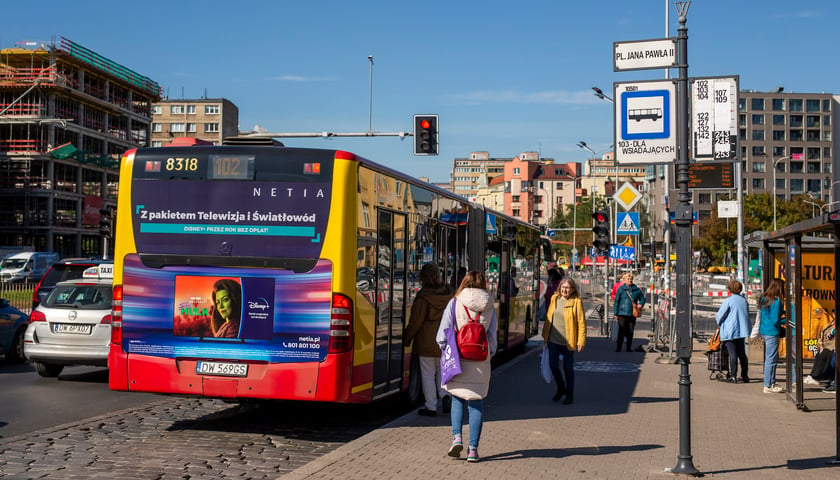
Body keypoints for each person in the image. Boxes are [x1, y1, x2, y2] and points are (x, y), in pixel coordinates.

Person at [436, 271, 497, 463]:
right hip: (480, 360)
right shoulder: (489, 306)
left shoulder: (455, 302)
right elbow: (493, 338)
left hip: (458, 357)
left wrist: (446, 351)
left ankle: (456, 439)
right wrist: (489, 354)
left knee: (456, 398)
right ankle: (473, 450)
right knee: (476, 402)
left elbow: (442, 334)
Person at [404, 264, 454, 417]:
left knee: (427, 374)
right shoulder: (449, 294)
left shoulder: (423, 297)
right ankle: (445, 396)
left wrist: (407, 338)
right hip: (445, 340)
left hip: (426, 342)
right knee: (442, 371)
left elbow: (416, 321)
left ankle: (431, 406)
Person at [542, 277, 587, 404]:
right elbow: (549, 317)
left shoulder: (576, 302)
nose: (565, 290)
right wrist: (545, 335)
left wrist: (581, 341)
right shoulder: (554, 298)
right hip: (553, 340)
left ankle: (569, 394)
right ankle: (561, 388)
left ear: (573, 289)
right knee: (553, 366)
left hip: (569, 341)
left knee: (568, 368)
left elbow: (581, 322)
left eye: (567, 288)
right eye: (563, 287)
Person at [716, 280, 751, 383]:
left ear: (730, 289)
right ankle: (745, 375)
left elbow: (720, 316)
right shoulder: (744, 301)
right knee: (742, 354)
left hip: (730, 331)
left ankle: (733, 376)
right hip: (742, 331)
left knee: (732, 354)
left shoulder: (728, 301)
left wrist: (719, 322)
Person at [757, 278, 785, 393]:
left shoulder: (764, 298)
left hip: (764, 330)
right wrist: (786, 320)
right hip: (772, 332)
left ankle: (771, 382)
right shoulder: (776, 301)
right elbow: (775, 320)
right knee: (771, 359)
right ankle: (768, 385)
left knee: (771, 357)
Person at [613, 272, 645, 352]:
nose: (630, 280)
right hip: (622, 313)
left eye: (631, 279)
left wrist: (641, 304)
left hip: (632, 313)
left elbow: (642, 298)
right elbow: (616, 301)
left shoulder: (636, 289)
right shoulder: (621, 289)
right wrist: (615, 313)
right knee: (621, 330)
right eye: (628, 279)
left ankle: (628, 347)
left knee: (630, 330)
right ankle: (619, 347)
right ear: (624, 280)